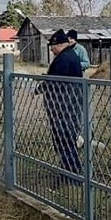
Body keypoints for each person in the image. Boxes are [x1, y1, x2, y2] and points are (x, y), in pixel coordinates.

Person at [41, 29, 84, 184]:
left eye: (53, 46)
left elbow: (56, 83)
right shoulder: (68, 56)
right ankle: (70, 172)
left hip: (64, 107)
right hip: (67, 105)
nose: (51, 50)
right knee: (66, 141)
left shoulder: (64, 59)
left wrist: (43, 86)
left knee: (64, 141)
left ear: (59, 44)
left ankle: (71, 176)